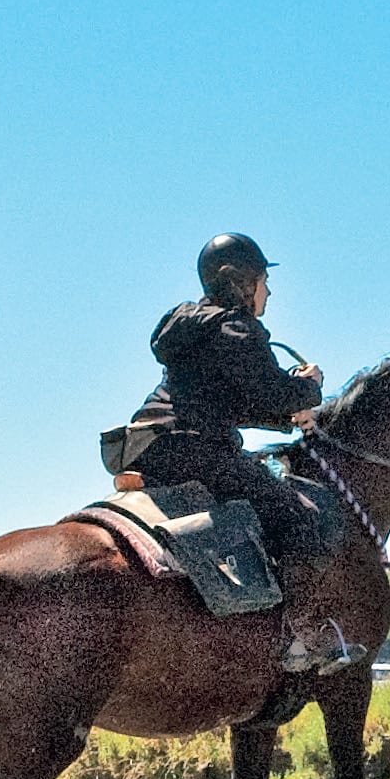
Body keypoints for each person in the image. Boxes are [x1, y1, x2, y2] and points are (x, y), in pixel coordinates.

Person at [120, 233, 348, 670]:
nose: (269, 291)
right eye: (264, 280)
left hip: (148, 444)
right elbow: (269, 392)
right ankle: (301, 639)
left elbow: (234, 400)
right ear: (244, 283)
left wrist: (288, 414)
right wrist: (310, 387)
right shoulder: (238, 328)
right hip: (195, 447)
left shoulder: (190, 326)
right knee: (296, 515)